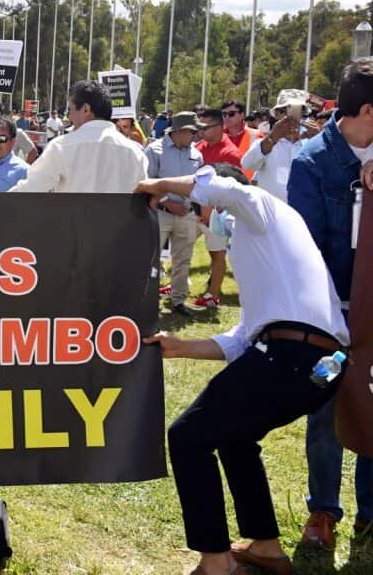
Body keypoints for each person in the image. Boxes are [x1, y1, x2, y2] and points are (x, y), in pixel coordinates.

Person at [138, 163, 351, 575]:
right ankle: (266, 547)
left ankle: (216, 562)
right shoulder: (261, 244)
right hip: (322, 368)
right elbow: (243, 338)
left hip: (294, 356)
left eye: (200, 206)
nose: (202, 217)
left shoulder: (262, 207)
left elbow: (224, 190)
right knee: (235, 438)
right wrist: (181, 347)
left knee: (187, 436)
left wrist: (158, 184)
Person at [289, 57, 373, 552]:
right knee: (323, 410)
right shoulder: (311, 162)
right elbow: (306, 251)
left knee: (372, 408)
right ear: (367, 110)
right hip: (329, 314)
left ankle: (370, 512)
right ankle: (324, 509)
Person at [10, 81, 147, 194]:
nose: (69, 117)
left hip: (72, 226)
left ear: (86, 109)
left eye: (71, 110)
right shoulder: (135, 152)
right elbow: (144, 198)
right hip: (120, 227)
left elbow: (31, 188)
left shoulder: (61, 147)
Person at [145, 112, 204, 317]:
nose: (196, 136)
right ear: (179, 131)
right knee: (151, 259)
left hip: (186, 214)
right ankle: (148, 301)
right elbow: (147, 181)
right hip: (160, 213)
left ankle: (178, 300)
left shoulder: (197, 154)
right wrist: (167, 202)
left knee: (183, 259)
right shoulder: (154, 150)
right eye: (192, 132)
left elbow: (199, 183)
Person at [192, 111, 242, 310]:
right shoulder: (198, 149)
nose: (200, 132)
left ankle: (213, 294)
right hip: (195, 210)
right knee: (182, 247)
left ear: (220, 127)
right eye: (199, 128)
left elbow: (231, 188)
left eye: (205, 127)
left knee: (217, 254)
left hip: (216, 213)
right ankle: (177, 283)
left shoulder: (231, 154)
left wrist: (210, 213)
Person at [241, 90, 318, 202]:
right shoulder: (266, 144)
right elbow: (247, 165)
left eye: (295, 111)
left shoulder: (311, 144)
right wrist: (272, 137)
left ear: (302, 113)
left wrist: (320, 140)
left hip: (303, 215)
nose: (289, 116)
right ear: (276, 114)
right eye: (284, 111)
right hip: (272, 216)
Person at [220, 100, 263, 178]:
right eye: (224, 114)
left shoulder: (256, 135)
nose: (227, 117)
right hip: (222, 185)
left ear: (242, 115)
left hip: (249, 186)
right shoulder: (218, 135)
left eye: (231, 114)